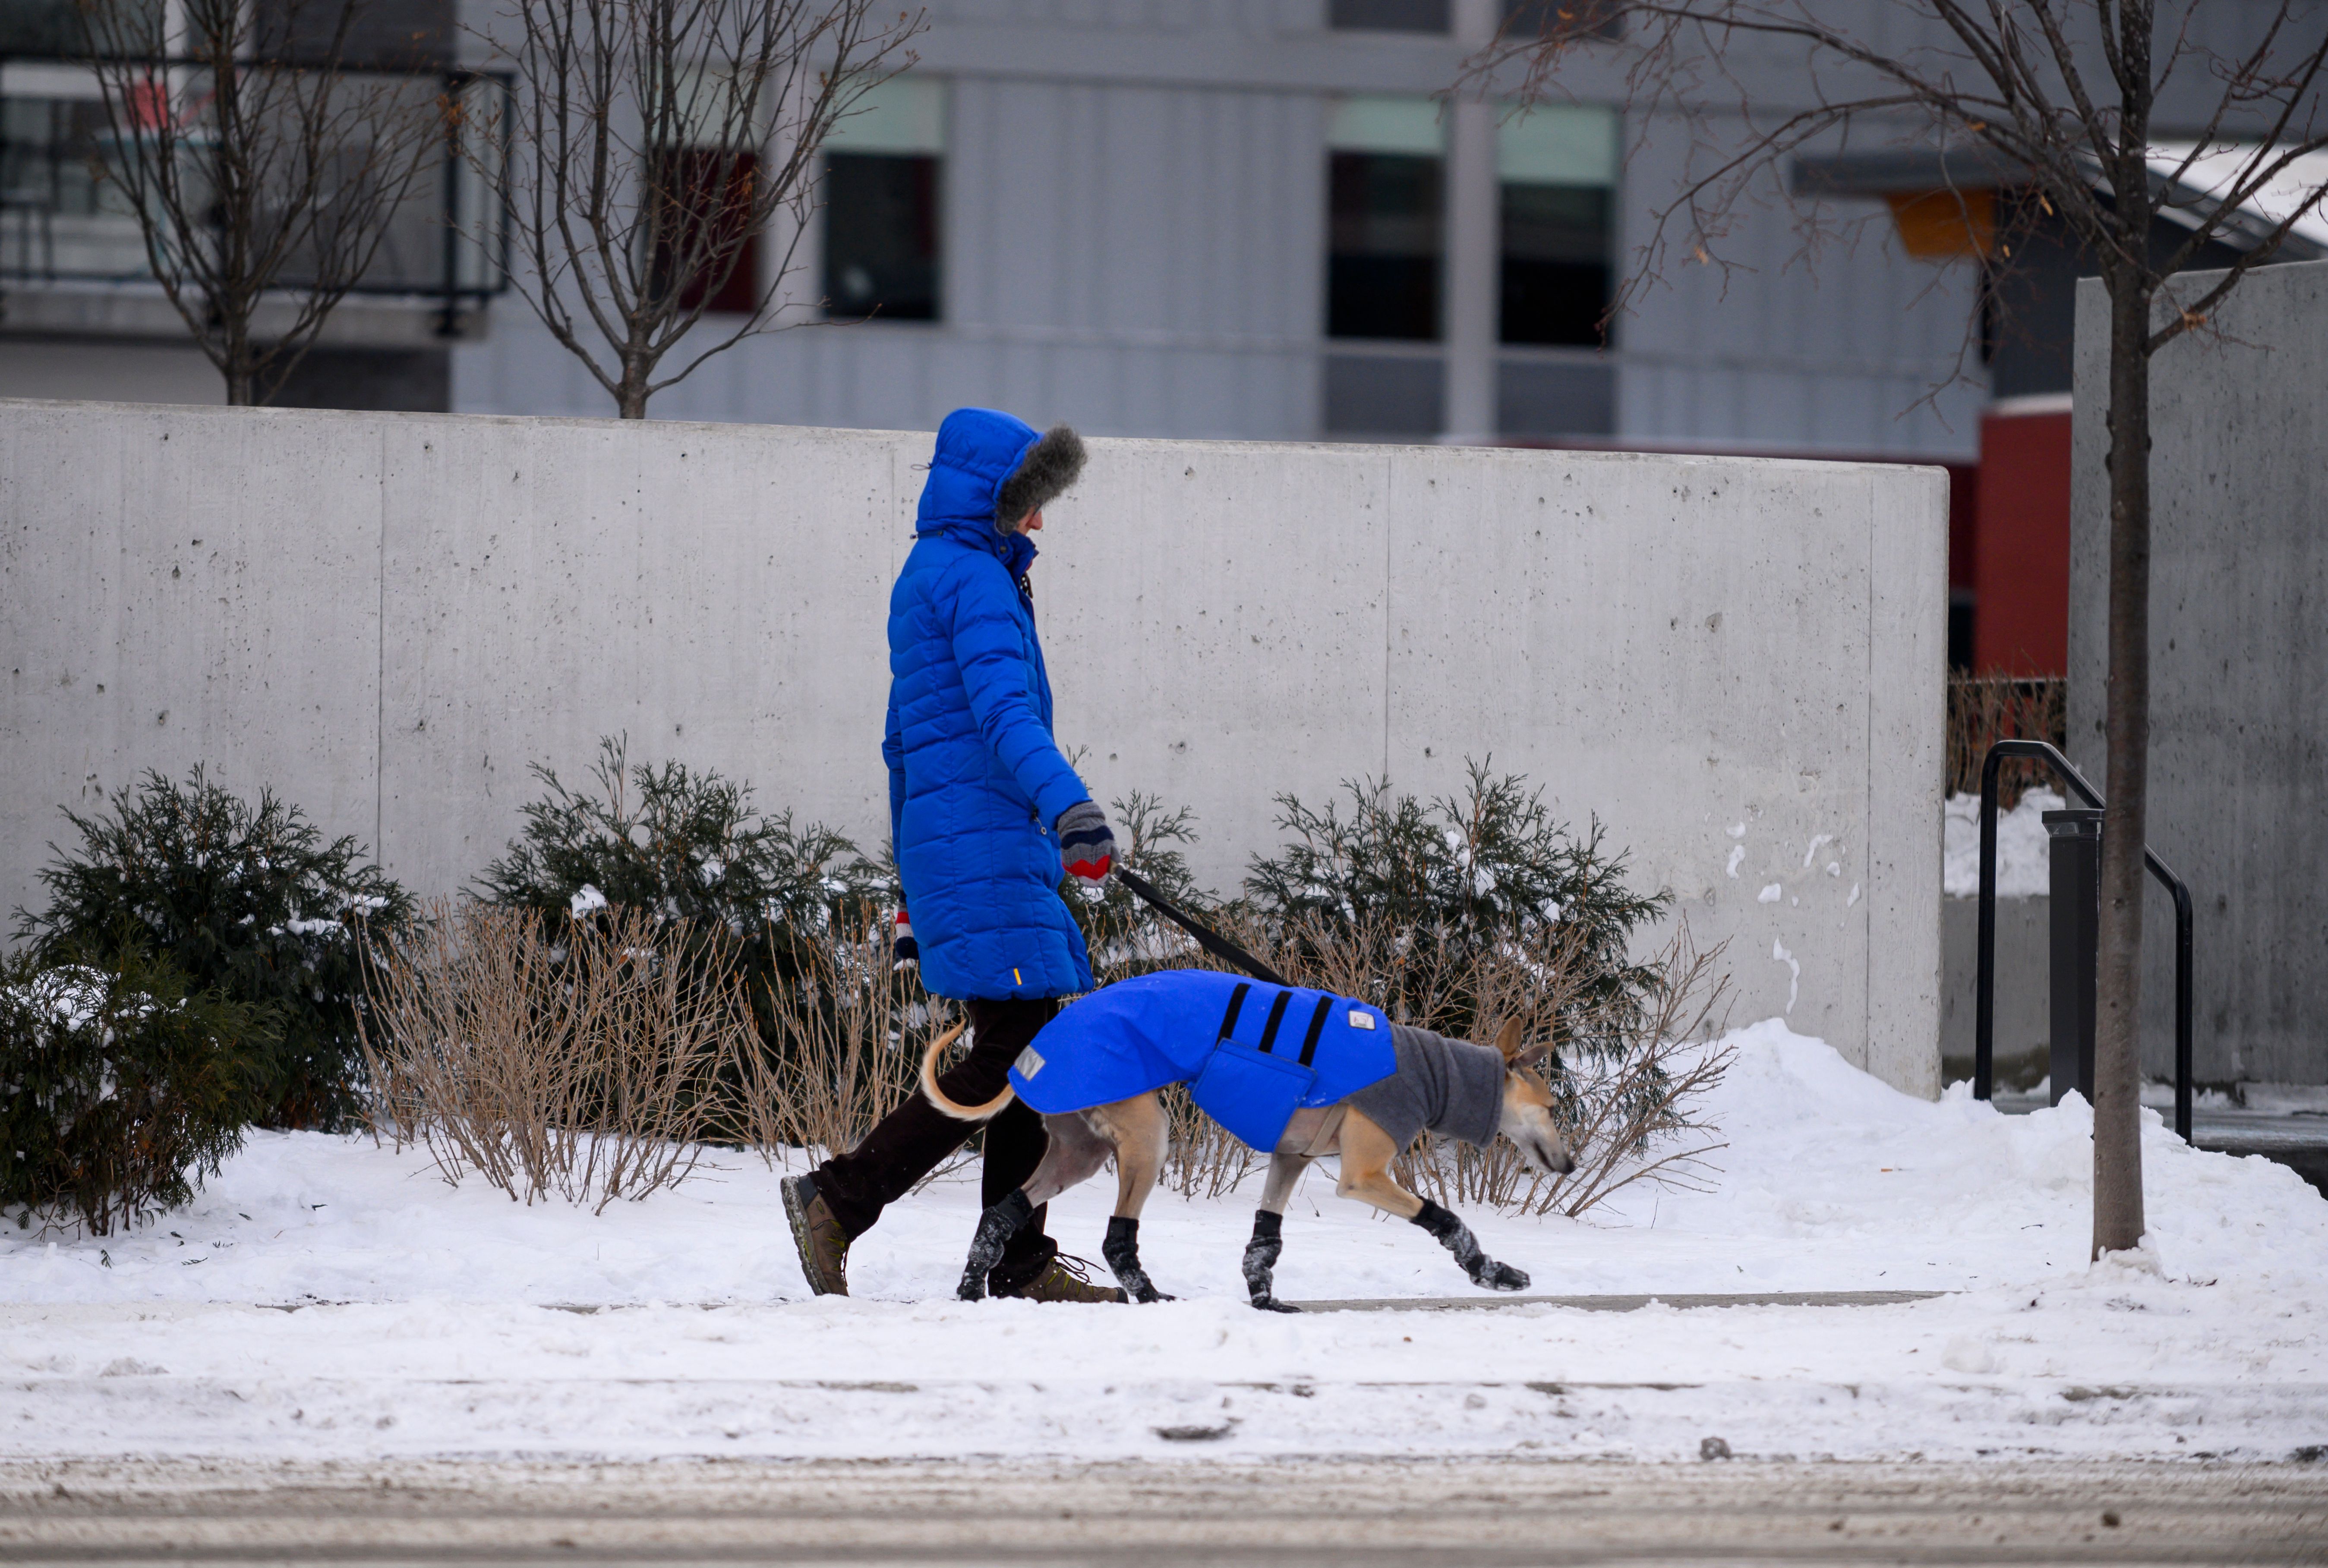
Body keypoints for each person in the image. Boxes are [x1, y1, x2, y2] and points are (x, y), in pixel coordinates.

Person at [782, 407, 1125, 1303]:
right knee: (1014, 1050)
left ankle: (1012, 1260)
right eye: (1030, 502)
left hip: (966, 849)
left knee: (1030, 1047)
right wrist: (1073, 808)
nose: (1041, 521)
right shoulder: (973, 580)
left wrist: (909, 892)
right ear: (993, 497)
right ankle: (842, 1196)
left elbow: (901, 749)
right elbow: (1007, 719)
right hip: (987, 844)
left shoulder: (930, 574)